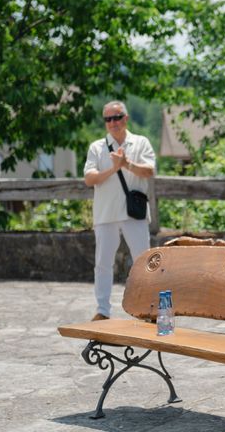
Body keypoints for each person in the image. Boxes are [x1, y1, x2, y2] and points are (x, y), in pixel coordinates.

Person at [84, 101, 155, 320]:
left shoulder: (141, 142)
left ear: (126, 118)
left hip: (134, 212)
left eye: (116, 117)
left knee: (144, 262)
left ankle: (148, 307)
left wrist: (126, 164)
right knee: (103, 263)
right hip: (105, 213)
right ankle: (102, 310)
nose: (112, 123)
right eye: (108, 119)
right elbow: (89, 178)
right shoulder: (97, 147)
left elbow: (149, 171)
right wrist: (113, 169)